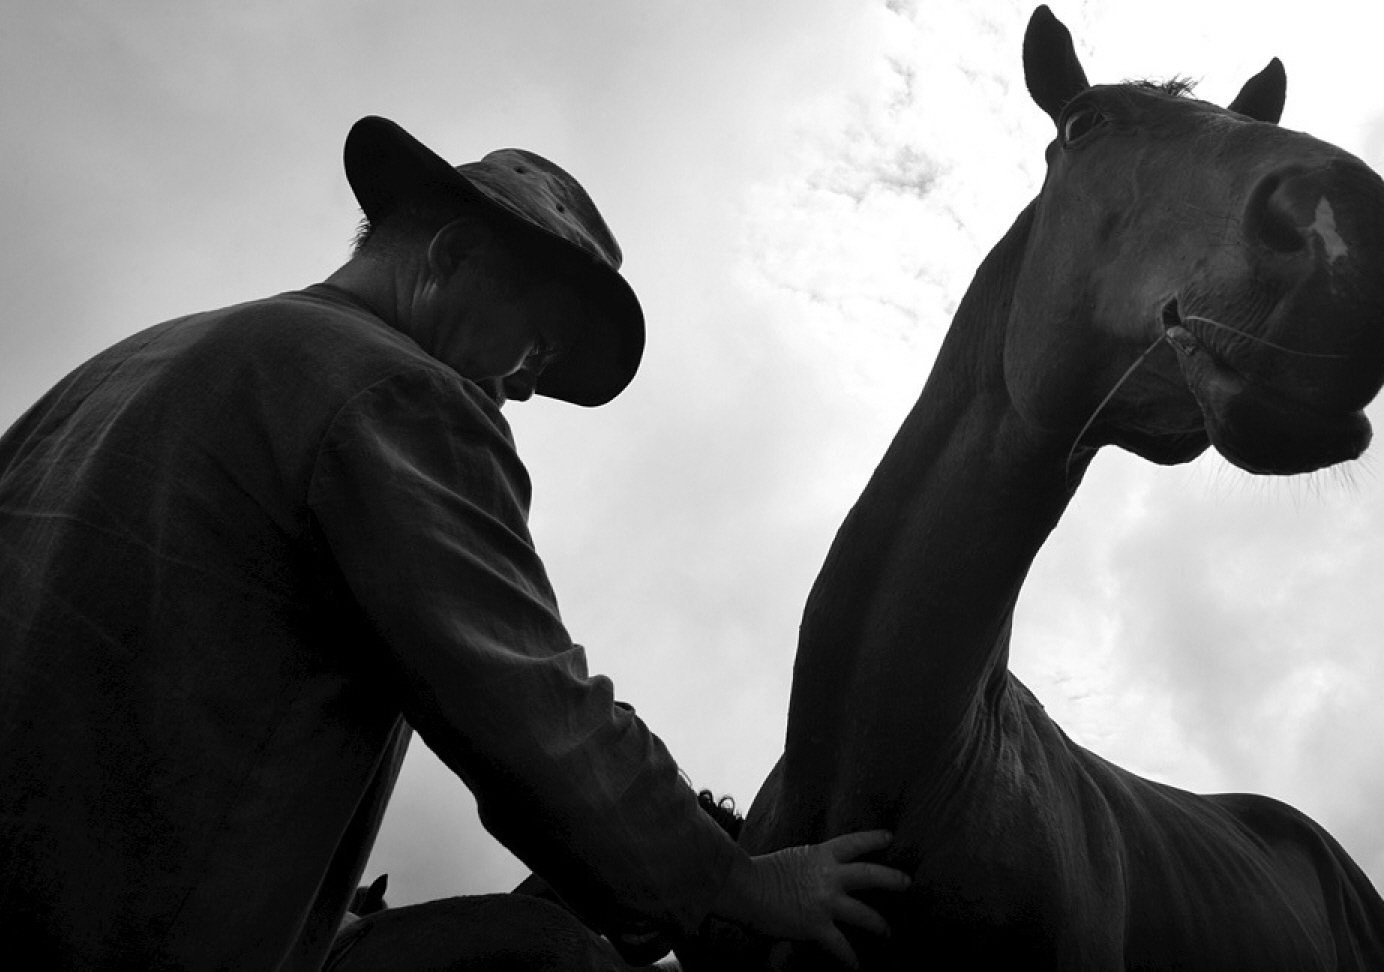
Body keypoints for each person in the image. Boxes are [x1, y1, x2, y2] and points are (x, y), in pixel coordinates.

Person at [0, 115, 908, 969]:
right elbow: (532, 715)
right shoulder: (394, 391)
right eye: (536, 350)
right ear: (452, 255)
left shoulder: (118, 372)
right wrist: (737, 879)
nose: (518, 389)